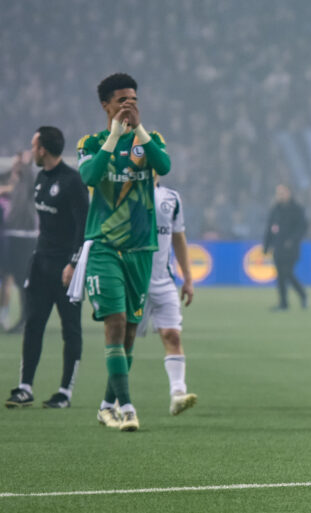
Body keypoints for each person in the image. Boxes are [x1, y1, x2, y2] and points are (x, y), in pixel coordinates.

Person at [74, 72, 171, 432]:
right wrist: (115, 134)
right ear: (105, 105)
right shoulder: (91, 142)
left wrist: (139, 130)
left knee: (130, 332)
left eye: (133, 99)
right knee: (114, 324)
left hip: (141, 249)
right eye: (122, 101)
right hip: (104, 246)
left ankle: (105, 406)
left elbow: (164, 167)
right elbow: (90, 176)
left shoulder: (151, 140)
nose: (129, 105)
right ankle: (127, 408)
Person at [5, 127, 89, 409]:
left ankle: (65, 392)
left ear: (43, 149)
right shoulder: (40, 177)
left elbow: (84, 228)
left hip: (67, 268)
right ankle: (25, 387)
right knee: (33, 324)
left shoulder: (72, 181)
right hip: (40, 264)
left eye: (34, 145)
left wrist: (74, 264)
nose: (31, 150)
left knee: (71, 329)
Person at [135, 174, 197, 416]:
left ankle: (178, 393)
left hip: (164, 281)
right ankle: (115, 400)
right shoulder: (124, 192)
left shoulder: (172, 198)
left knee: (172, 336)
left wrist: (188, 278)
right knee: (124, 342)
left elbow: (178, 238)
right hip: (134, 281)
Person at [0, 150, 38, 333]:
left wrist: (25, 162)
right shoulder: (13, 184)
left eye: (18, 164)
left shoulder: (28, 181)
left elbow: (29, 173)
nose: (15, 167)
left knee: (23, 280)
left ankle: (27, 318)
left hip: (25, 236)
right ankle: (18, 317)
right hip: (13, 236)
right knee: (14, 279)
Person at [262, 184, 308, 311]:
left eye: (282, 193)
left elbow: (302, 228)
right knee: (280, 276)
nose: (280, 196)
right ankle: (283, 303)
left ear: (289, 193)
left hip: (291, 249)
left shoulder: (297, 209)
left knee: (287, 273)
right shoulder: (275, 210)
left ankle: (303, 295)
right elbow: (269, 229)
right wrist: (266, 246)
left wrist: (293, 240)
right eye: (278, 193)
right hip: (278, 248)